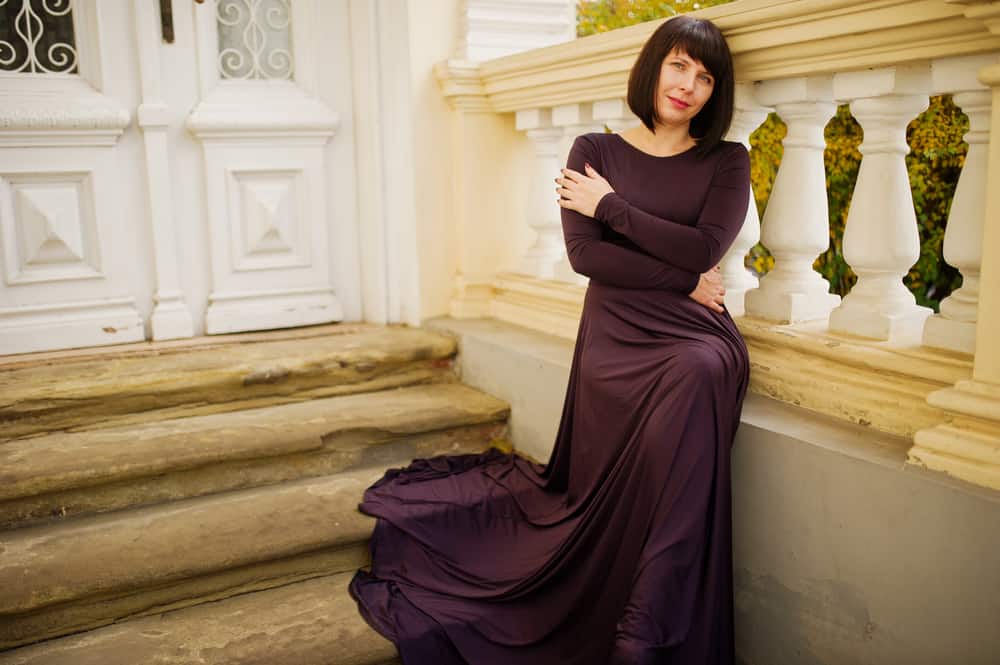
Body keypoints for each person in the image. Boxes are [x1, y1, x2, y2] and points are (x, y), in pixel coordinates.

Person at [350, 14, 750, 665]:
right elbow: (588, 258)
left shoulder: (727, 160)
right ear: (654, 65)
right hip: (617, 337)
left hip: (693, 336)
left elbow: (706, 246)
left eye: (706, 77)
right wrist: (682, 276)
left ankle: (647, 620)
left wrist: (613, 207)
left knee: (699, 371)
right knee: (679, 394)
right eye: (680, 65)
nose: (689, 85)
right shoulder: (592, 152)